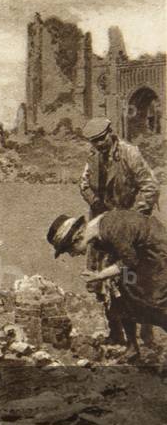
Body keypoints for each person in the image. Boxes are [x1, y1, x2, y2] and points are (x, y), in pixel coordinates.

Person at [78, 117, 160, 352]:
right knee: (105, 281)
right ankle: (117, 334)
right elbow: (83, 184)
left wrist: (133, 216)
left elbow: (150, 186)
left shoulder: (129, 153)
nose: (100, 145)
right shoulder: (92, 157)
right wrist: (95, 202)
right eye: (95, 142)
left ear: (111, 134)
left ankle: (146, 334)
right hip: (103, 225)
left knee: (136, 280)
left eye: (103, 140)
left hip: (131, 226)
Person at [47, 211, 167, 339]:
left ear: (77, 238)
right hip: (141, 257)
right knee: (126, 293)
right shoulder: (96, 236)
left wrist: (100, 276)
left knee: (155, 301)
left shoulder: (111, 228)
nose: (72, 255)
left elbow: (129, 261)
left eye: (70, 250)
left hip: (157, 253)